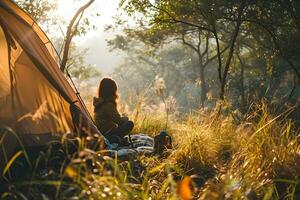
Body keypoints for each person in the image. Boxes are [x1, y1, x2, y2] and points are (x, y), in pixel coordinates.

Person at [93, 78, 134, 144]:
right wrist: (125, 118)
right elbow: (118, 121)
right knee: (130, 123)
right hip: (108, 133)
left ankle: (116, 139)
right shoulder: (108, 104)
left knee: (122, 127)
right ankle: (114, 139)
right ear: (112, 90)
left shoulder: (100, 102)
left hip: (101, 132)